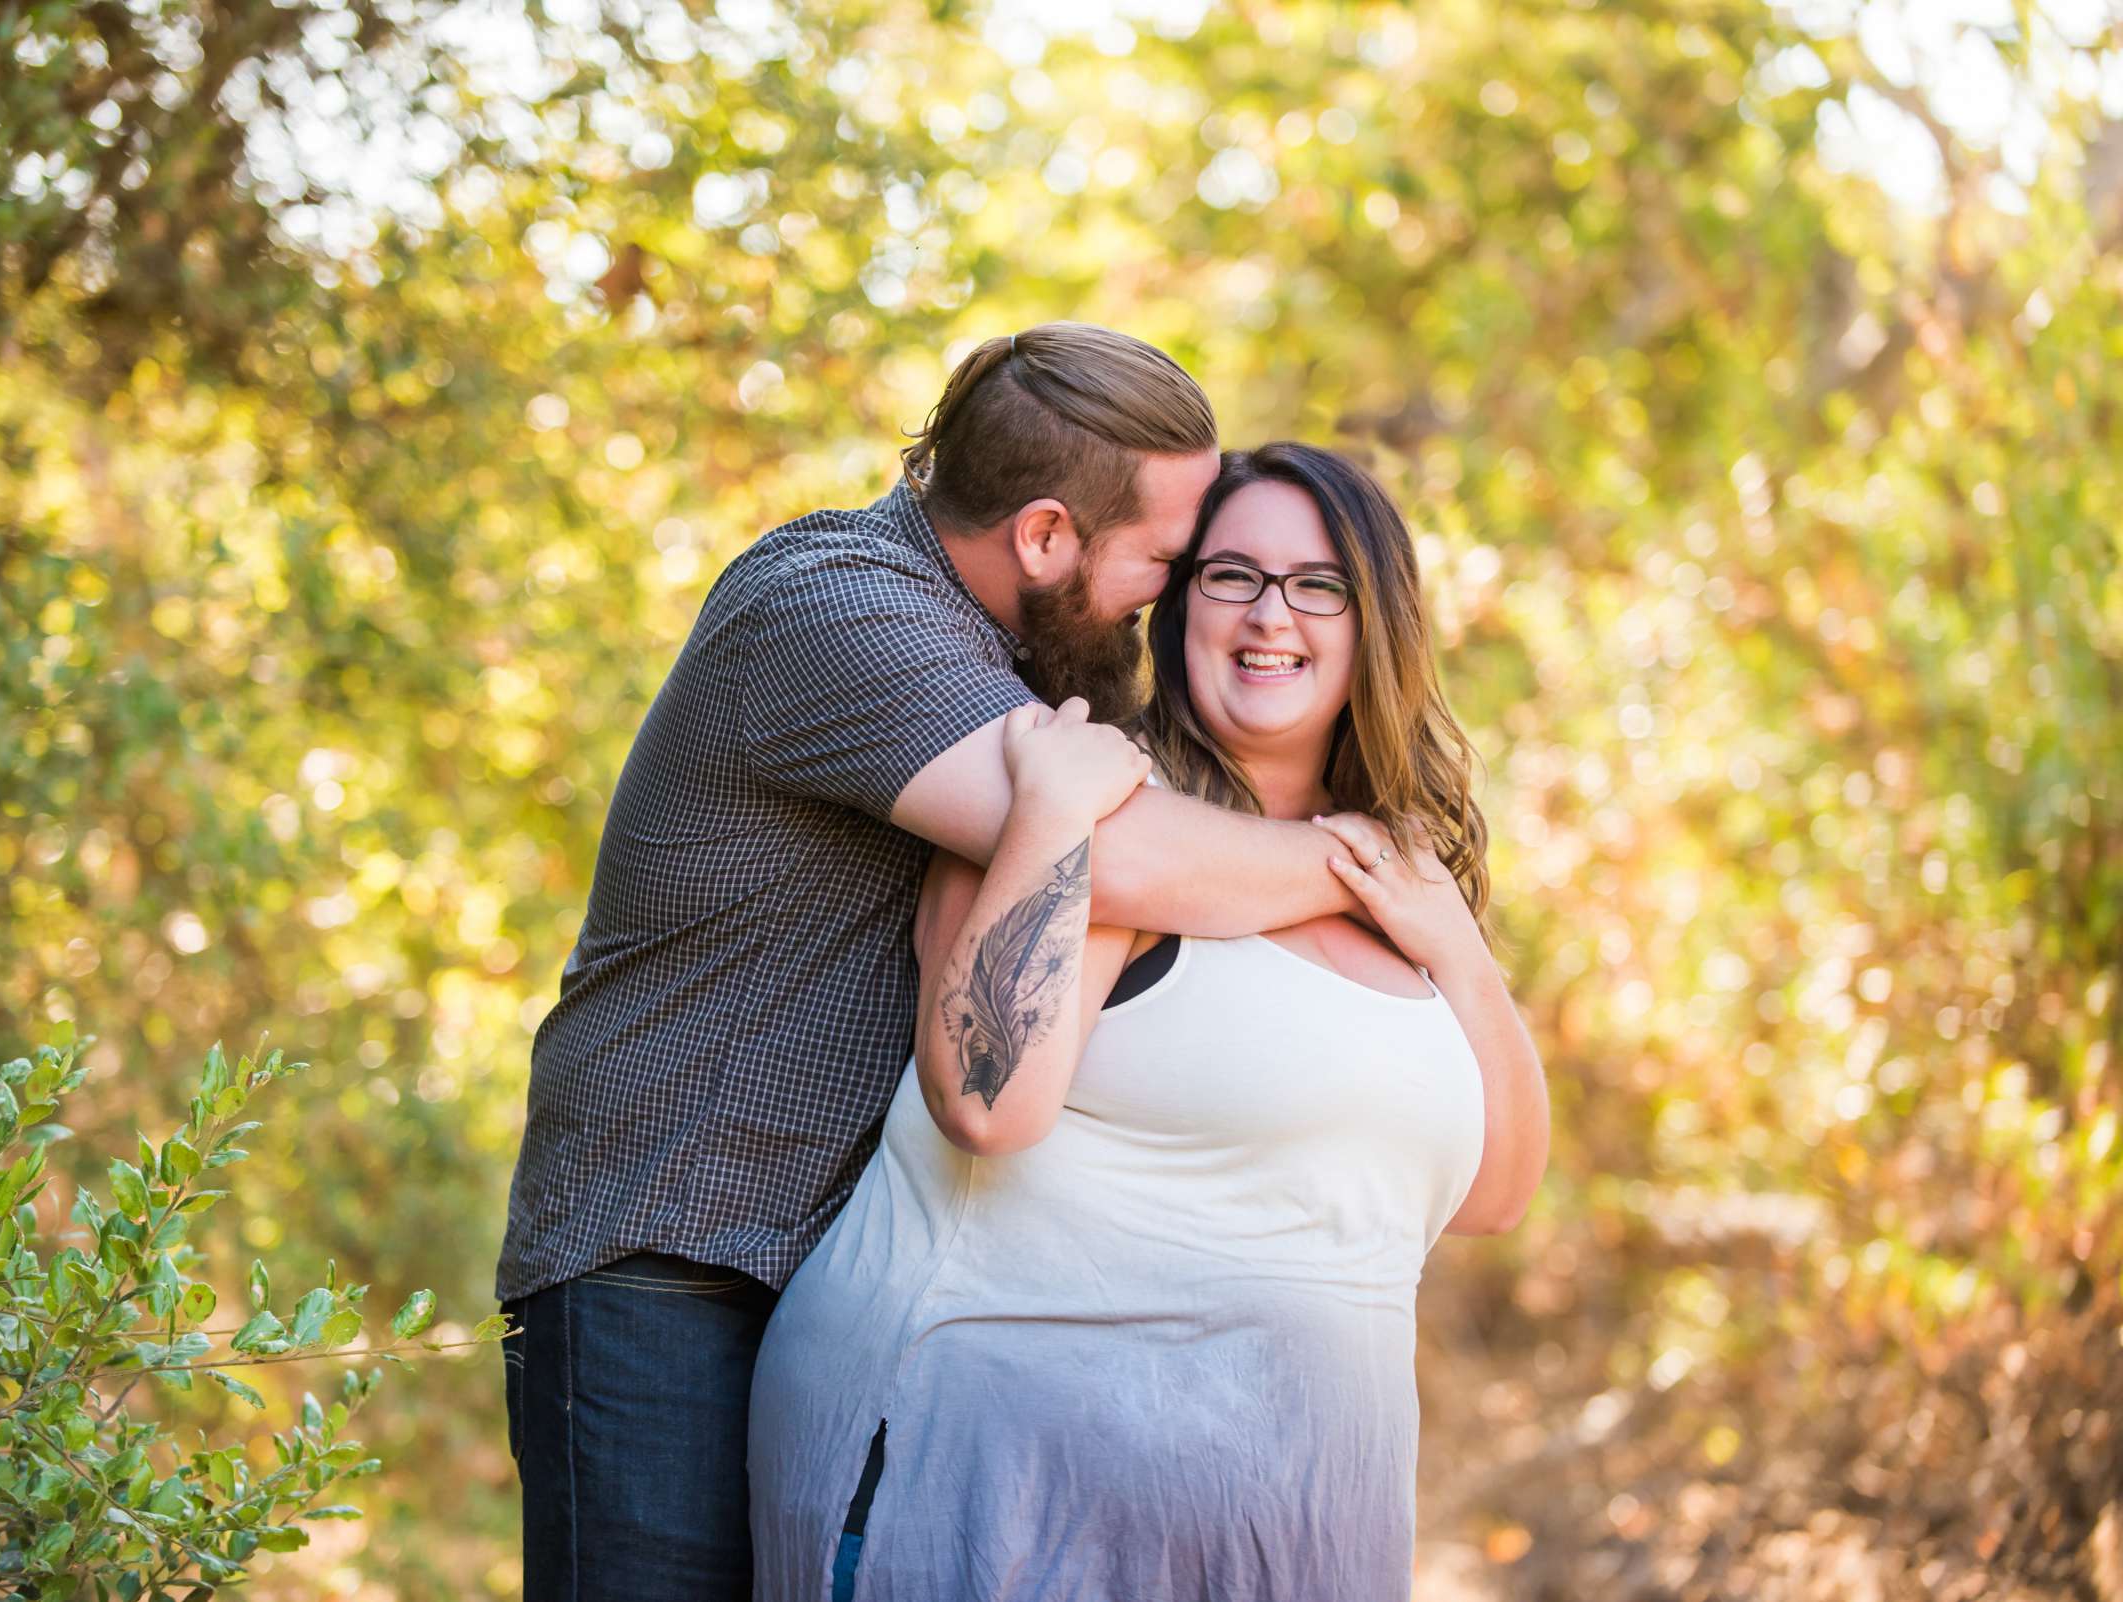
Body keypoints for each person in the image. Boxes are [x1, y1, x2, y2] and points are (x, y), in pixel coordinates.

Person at [493, 329, 1402, 1602]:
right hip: (667, 1264)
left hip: (812, 1280)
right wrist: (1367, 861)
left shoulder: (1004, 645)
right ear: (1043, 537)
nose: (1169, 589)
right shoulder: (838, 610)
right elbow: (1124, 858)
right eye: (1161, 556)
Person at [747, 442, 1551, 1601]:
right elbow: (981, 1102)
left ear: (1377, 624)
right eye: (1232, 575)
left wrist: (1458, 949)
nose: (1272, 613)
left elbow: (1495, 1196)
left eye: (1319, 584)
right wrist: (1062, 823)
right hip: (993, 1505)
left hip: (1289, 1534)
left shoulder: (1403, 887)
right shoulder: (1095, 802)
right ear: (1176, 609)